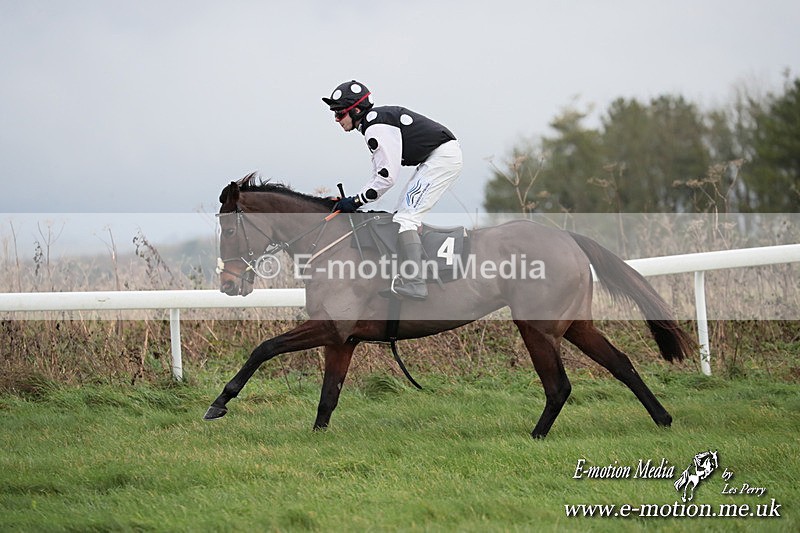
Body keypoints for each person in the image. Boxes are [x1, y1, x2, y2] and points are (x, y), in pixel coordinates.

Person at [323, 80, 462, 300]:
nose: (336, 120)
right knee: (401, 217)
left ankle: (415, 282)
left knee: (406, 219)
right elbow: (380, 175)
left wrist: (355, 201)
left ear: (356, 110)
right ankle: (411, 274)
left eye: (339, 114)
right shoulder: (373, 123)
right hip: (436, 157)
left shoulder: (375, 126)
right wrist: (354, 199)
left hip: (442, 158)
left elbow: (386, 178)